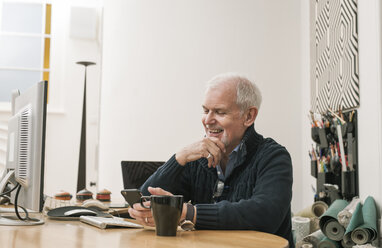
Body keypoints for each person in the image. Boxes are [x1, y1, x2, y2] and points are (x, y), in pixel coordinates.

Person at [128, 73, 294, 246]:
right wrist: (179, 158)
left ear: (249, 116)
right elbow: (143, 201)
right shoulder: (196, 157)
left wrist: (188, 213)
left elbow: (266, 214)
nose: (207, 120)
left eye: (220, 112)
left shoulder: (274, 156)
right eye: (206, 111)